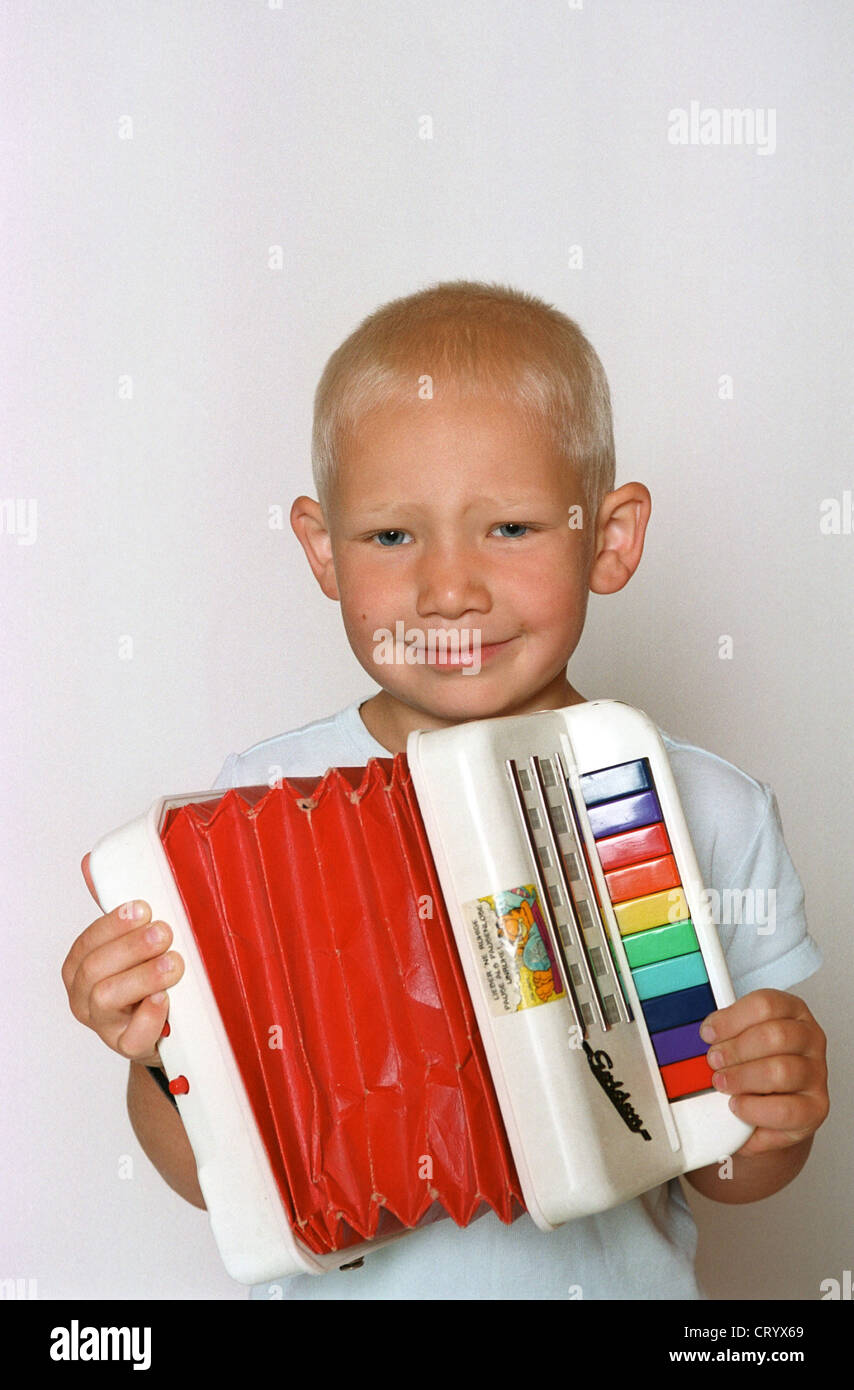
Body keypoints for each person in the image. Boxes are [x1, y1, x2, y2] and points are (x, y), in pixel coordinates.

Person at [63, 281, 828, 1300]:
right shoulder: (253, 807)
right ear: (321, 550)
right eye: (390, 537)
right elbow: (217, 1182)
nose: (447, 589)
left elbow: (726, 1172)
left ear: (608, 539)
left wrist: (774, 1111)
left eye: (509, 528)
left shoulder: (704, 807)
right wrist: (161, 1057)